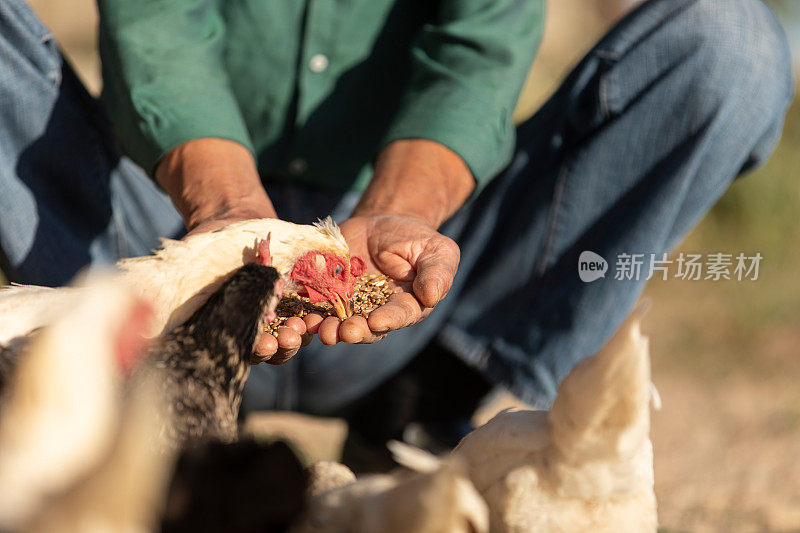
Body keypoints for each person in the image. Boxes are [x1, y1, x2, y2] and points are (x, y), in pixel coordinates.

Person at [0, 0, 792, 464]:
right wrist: (230, 218)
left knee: (733, 45)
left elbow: (476, 54)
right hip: (156, 236)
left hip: (414, 291)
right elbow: (159, 28)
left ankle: (427, 400)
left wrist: (400, 213)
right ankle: (117, 397)